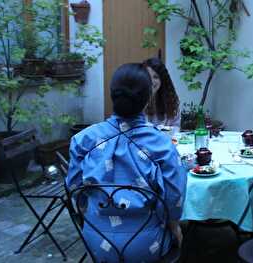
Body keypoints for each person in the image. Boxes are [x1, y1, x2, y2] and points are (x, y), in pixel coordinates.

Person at [66, 63, 186, 262]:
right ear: (148, 99)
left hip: (97, 243)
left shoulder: (83, 140)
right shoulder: (162, 144)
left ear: (113, 95)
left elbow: (74, 189)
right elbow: (175, 196)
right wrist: (175, 227)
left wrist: (92, 217)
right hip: (146, 246)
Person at [144, 57, 181, 132]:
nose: (151, 81)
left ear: (162, 80)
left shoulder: (171, 99)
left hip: (165, 141)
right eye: (148, 76)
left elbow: (176, 127)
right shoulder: (135, 99)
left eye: (156, 77)